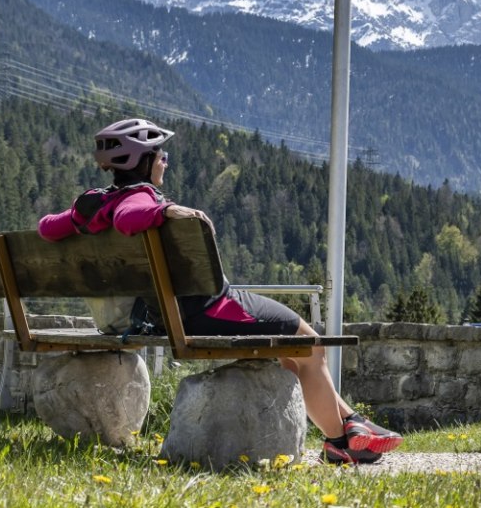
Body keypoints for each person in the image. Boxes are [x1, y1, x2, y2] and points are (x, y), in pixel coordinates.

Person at [38, 118, 400, 465]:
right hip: (206, 309)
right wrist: (169, 210)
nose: (165, 160)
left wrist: (79, 216)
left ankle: (352, 424)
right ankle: (340, 442)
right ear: (143, 160)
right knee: (311, 344)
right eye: (161, 154)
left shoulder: (95, 204)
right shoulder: (138, 200)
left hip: (157, 314)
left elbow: (46, 228)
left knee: (296, 355)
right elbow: (129, 218)